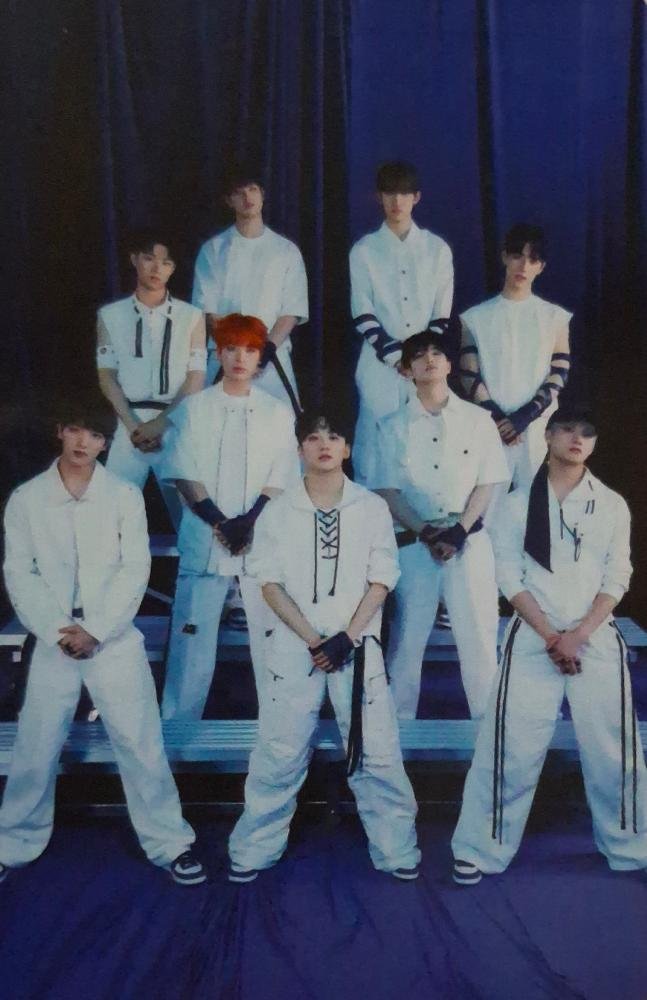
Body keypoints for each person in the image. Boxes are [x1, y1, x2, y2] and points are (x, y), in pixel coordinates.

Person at [0, 399, 205, 886]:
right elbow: (20, 573)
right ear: (60, 431)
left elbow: (135, 568)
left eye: (94, 435)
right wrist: (57, 629)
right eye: (75, 430)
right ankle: (12, 844)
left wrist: (97, 629)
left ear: (105, 443)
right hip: (55, 639)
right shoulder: (27, 499)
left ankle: (170, 843)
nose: (82, 442)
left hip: (111, 638)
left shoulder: (122, 495)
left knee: (140, 742)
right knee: (36, 746)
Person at [451, 406, 647, 885]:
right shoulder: (517, 503)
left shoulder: (612, 504)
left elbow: (618, 575)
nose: (577, 439)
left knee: (613, 749)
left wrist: (578, 635)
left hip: (593, 636)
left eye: (587, 433)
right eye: (568, 430)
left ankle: (632, 847)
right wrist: (551, 635)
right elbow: (509, 575)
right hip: (533, 636)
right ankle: (480, 848)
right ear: (549, 436)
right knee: (510, 747)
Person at [227, 408, 421, 884]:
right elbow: (268, 582)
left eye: (333, 436)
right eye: (314, 438)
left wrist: (347, 637)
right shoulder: (278, 510)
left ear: (347, 448)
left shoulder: (371, 507)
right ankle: (255, 847)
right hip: (296, 644)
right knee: (280, 750)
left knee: (376, 751)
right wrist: (315, 639)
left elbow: (382, 577)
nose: (324, 445)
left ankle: (396, 847)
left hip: (355, 644)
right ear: (300, 450)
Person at [160, 314, 298, 719]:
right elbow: (184, 472)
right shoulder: (193, 410)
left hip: (259, 542)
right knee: (190, 649)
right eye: (232, 349)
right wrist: (221, 523)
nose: (241, 358)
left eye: (251, 350)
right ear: (218, 353)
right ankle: (177, 736)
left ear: (260, 357)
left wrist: (249, 521)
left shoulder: (278, 413)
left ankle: (280, 736)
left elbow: (282, 475)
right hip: (206, 542)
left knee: (273, 651)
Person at [372, 329, 508, 720]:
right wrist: (427, 532)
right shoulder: (391, 426)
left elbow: (488, 481)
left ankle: (490, 730)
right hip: (416, 544)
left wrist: (459, 531)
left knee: (479, 639)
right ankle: (397, 731)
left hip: (468, 541)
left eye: (437, 353)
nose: (429, 360)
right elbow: (388, 489)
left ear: (449, 364)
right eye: (419, 355)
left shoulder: (479, 421)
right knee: (405, 642)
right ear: (406, 370)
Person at [349, 160, 454, 484]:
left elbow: (441, 314)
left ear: (416, 197)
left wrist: (419, 359)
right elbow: (362, 312)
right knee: (374, 449)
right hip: (379, 367)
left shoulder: (437, 250)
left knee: (425, 445)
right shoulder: (364, 251)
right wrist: (397, 358)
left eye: (405, 193)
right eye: (390, 193)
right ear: (378, 197)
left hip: (426, 368)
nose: (397, 201)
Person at [459, 223, 571, 516]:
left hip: (538, 429)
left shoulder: (554, 317)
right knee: (486, 512)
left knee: (540, 512)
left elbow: (559, 371)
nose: (523, 266)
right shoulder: (475, 318)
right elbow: (469, 373)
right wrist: (498, 418)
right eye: (517, 256)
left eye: (533, 259)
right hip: (492, 429)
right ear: (504, 257)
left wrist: (526, 415)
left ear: (541, 267)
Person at [97, 230, 206, 528]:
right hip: (128, 425)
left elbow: (195, 378)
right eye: (149, 259)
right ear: (135, 260)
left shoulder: (192, 316)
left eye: (166, 263)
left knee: (190, 518)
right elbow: (106, 376)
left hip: (174, 424)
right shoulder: (110, 314)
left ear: (173, 268)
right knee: (109, 515)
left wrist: (160, 425)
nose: (157, 268)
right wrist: (134, 426)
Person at [192, 165, 308, 408]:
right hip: (225, 360)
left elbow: (291, 310)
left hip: (271, 361)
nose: (247, 198)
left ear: (262, 194)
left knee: (280, 427)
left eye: (252, 190)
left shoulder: (286, 251)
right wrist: (236, 351)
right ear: (229, 201)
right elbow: (207, 310)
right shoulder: (213, 250)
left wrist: (263, 354)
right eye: (239, 192)